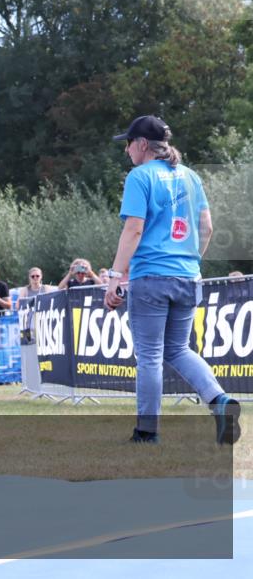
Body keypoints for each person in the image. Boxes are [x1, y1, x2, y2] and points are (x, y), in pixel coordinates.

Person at [104, 115, 240, 444]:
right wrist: (189, 260)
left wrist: (115, 276)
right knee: (178, 349)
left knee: (149, 355)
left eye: (128, 144)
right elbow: (206, 228)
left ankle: (146, 432)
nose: (126, 151)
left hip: (151, 275)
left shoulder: (139, 177)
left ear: (141, 145)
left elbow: (134, 230)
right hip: (187, 276)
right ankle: (219, 401)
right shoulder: (191, 177)